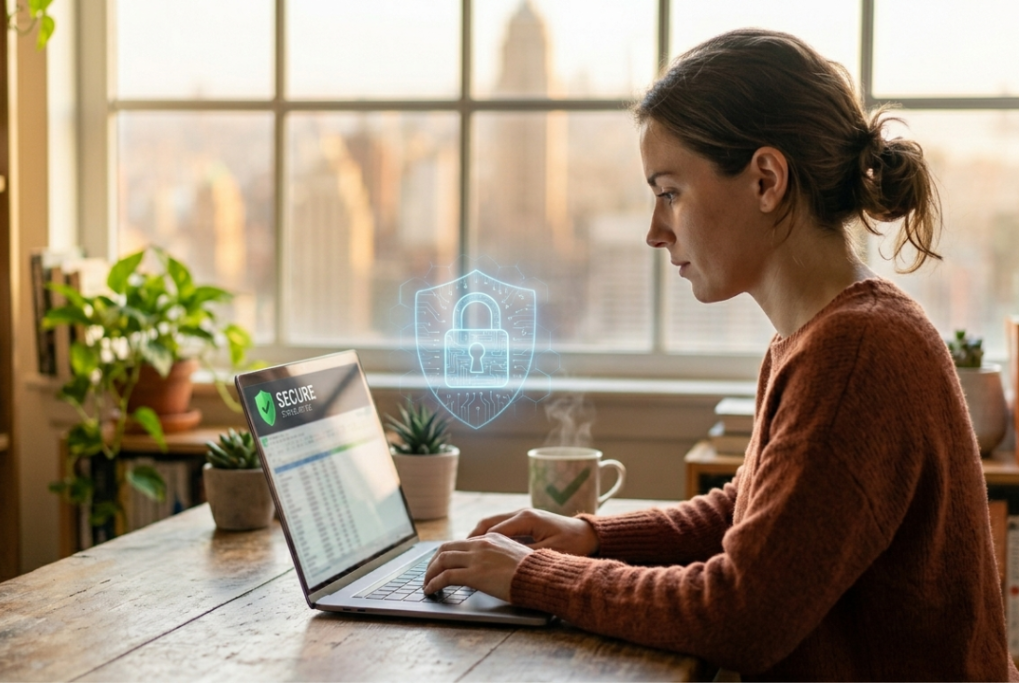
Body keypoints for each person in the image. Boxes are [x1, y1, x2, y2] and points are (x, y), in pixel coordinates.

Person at [423, 28, 1018, 681]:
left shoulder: (858, 352)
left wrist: (537, 575)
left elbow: (741, 612)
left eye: (670, 191)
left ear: (766, 179)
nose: (655, 230)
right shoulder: (820, 334)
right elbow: (752, 508)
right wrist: (592, 535)